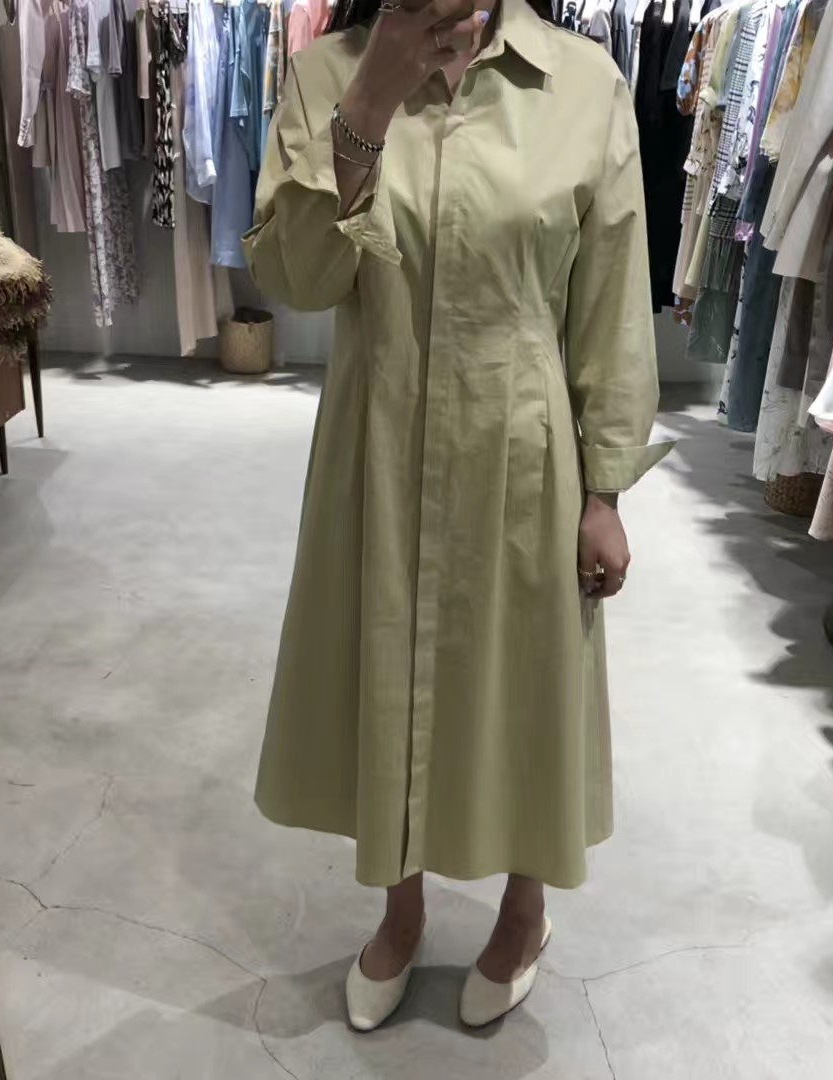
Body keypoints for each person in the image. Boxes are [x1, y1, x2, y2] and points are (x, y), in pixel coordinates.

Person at [245, 0, 669, 1032]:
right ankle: (401, 913)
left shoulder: (583, 84)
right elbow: (297, 277)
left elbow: (612, 305)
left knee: (525, 685)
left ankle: (524, 913)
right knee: (386, 671)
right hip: (377, 443)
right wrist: (370, 102)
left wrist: (605, 490)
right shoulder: (325, 74)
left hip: (522, 449)